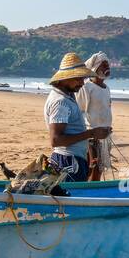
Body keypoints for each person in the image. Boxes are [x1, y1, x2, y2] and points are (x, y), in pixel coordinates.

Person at [45, 53, 110, 181]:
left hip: (73, 159)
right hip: (68, 161)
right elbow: (56, 140)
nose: (82, 83)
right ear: (66, 78)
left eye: (83, 78)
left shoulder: (68, 95)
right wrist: (91, 133)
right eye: (78, 79)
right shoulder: (61, 102)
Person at [76, 52, 114, 181]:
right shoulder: (86, 87)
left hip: (105, 136)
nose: (106, 68)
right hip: (91, 136)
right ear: (95, 67)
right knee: (91, 167)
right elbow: (79, 112)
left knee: (100, 169)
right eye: (103, 65)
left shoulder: (106, 88)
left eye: (107, 65)